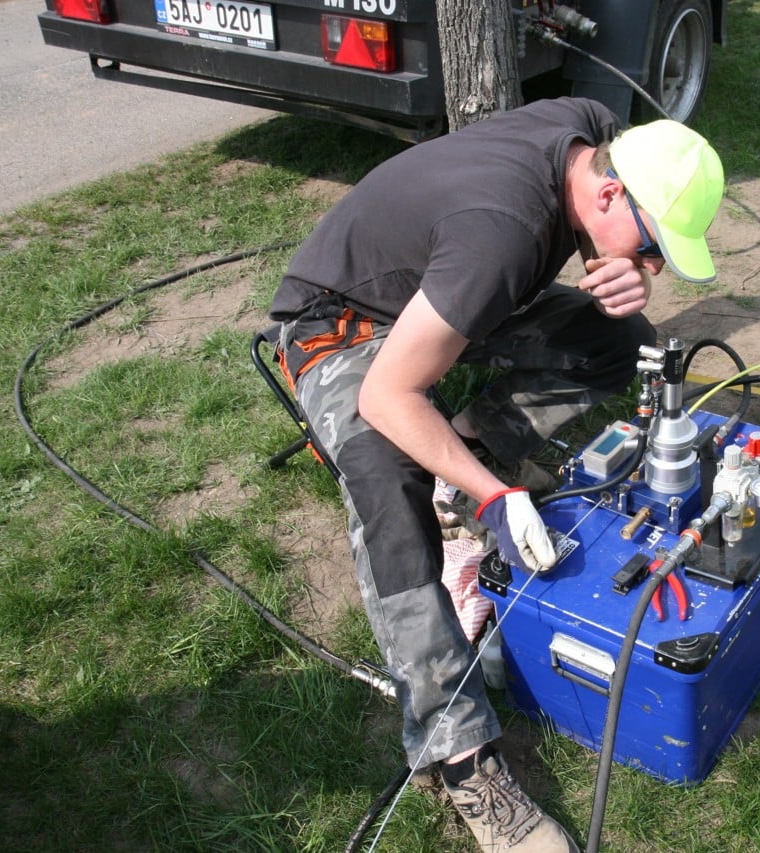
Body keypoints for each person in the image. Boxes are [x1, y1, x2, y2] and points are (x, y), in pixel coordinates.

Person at [268, 97, 723, 852]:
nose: (648, 266)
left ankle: (465, 448)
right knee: (388, 484)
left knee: (623, 338)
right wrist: (497, 494)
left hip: (440, 288)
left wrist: (611, 275)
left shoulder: (588, 124)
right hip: (341, 328)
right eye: (650, 249)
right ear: (608, 192)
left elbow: (585, 218)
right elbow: (385, 395)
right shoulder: (502, 236)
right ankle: (459, 753)